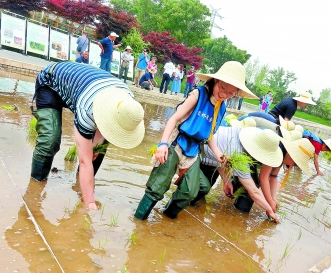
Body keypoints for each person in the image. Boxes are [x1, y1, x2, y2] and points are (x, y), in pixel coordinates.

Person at [134, 61, 256, 220]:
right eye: (222, 88)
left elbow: (210, 135)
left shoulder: (222, 107)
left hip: (193, 151)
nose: (224, 94)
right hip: (176, 142)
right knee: (157, 186)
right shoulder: (198, 95)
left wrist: (219, 154)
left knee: (190, 191)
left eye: (231, 93)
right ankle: (138, 221)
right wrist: (163, 144)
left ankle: (166, 216)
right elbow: (174, 119)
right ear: (216, 81)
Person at [30, 62, 145, 210]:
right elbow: (84, 161)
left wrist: (96, 145)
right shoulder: (87, 109)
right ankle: (36, 184)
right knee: (50, 139)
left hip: (87, 87)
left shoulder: (128, 104)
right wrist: (90, 203)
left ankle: (81, 186)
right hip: (51, 83)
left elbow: (110, 125)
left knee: (98, 150)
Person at [195, 126, 282, 223]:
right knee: (201, 188)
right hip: (192, 152)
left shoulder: (238, 132)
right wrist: (269, 210)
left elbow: (221, 157)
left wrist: (226, 181)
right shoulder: (239, 154)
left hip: (203, 150)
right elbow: (253, 192)